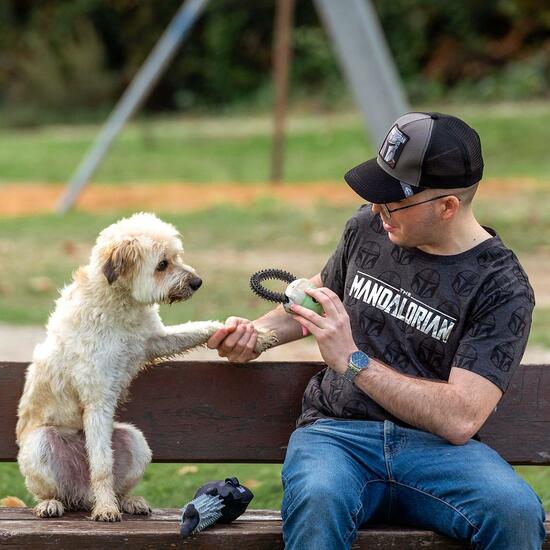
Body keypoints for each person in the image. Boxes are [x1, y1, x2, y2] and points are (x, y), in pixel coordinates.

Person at [207, 112, 546, 549]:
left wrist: (353, 362)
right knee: (319, 498)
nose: (376, 210)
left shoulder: (501, 286)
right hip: (336, 436)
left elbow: (462, 416)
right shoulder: (368, 230)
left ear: (447, 207)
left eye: (392, 201)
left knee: (515, 511)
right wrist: (255, 337)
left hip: (439, 451)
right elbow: (314, 304)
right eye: (376, 195)